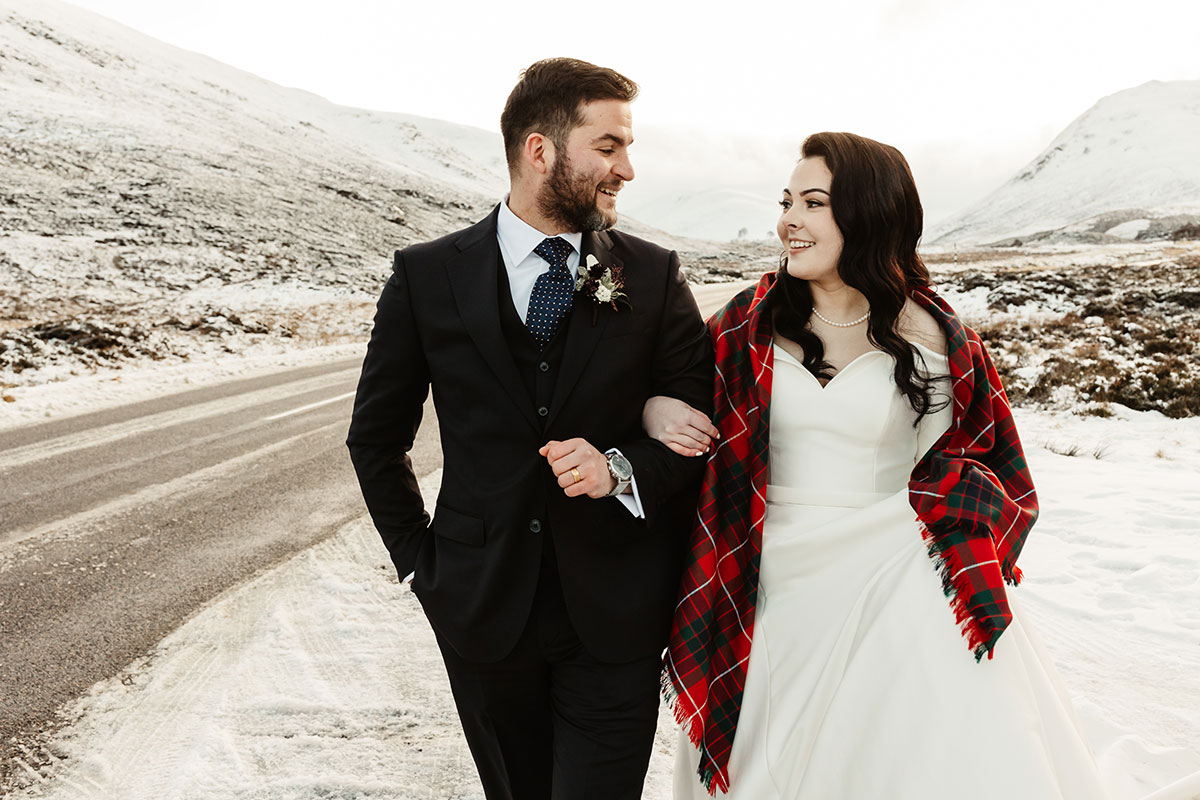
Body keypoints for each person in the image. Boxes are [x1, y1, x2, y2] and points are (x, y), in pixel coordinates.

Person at [645, 132, 1112, 798]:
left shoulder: (937, 337)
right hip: (761, 570)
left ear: (867, 213)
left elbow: (974, 458)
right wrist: (656, 413)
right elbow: (668, 392)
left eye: (813, 203)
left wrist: (955, 515)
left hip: (890, 571)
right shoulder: (743, 323)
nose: (789, 222)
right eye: (786, 202)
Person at [345, 58, 712, 800]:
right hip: (480, 609)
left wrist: (621, 468)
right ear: (540, 150)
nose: (627, 169)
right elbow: (375, 438)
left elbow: (696, 427)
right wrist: (422, 564)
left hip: (616, 612)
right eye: (608, 146)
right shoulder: (426, 276)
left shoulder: (652, 273)